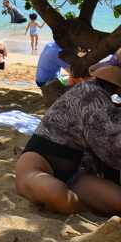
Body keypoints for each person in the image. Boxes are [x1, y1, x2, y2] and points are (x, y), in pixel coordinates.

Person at [14, 63, 121, 216]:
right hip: (39, 164)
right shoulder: (93, 96)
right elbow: (115, 146)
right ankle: (85, 209)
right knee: (57, 194)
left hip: (76, 174)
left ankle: (81, 207)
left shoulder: (98, 92)